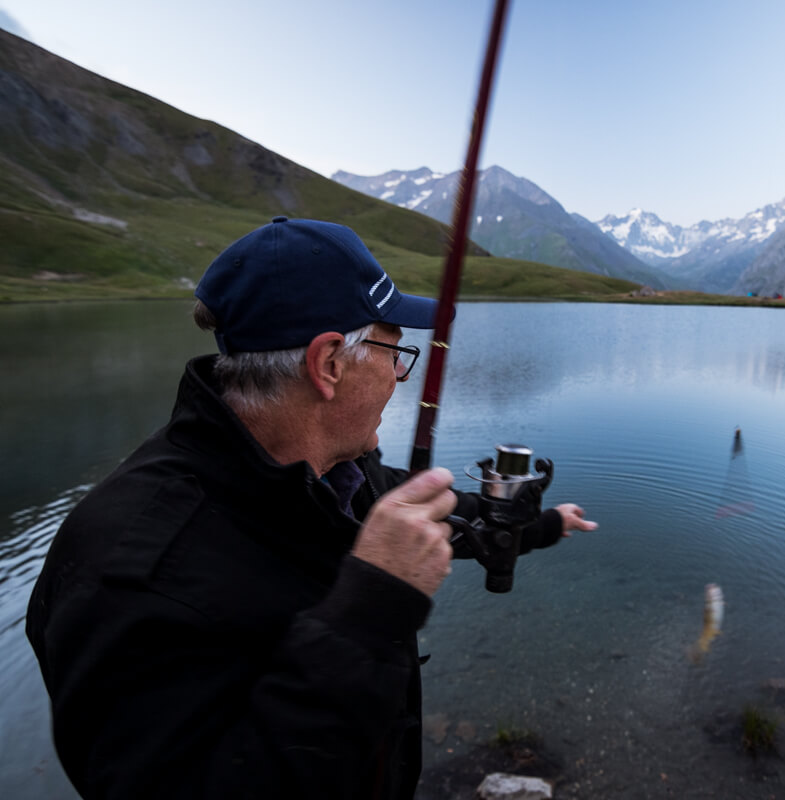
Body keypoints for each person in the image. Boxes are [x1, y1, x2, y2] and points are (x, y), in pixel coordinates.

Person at [25, 216, 597, 800]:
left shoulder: (337, 468)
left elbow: (413, 519)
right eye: (394, 352)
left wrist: (536, 525)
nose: (401, 378)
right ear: (329, 364)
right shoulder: (127, 576)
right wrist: (370, 611)